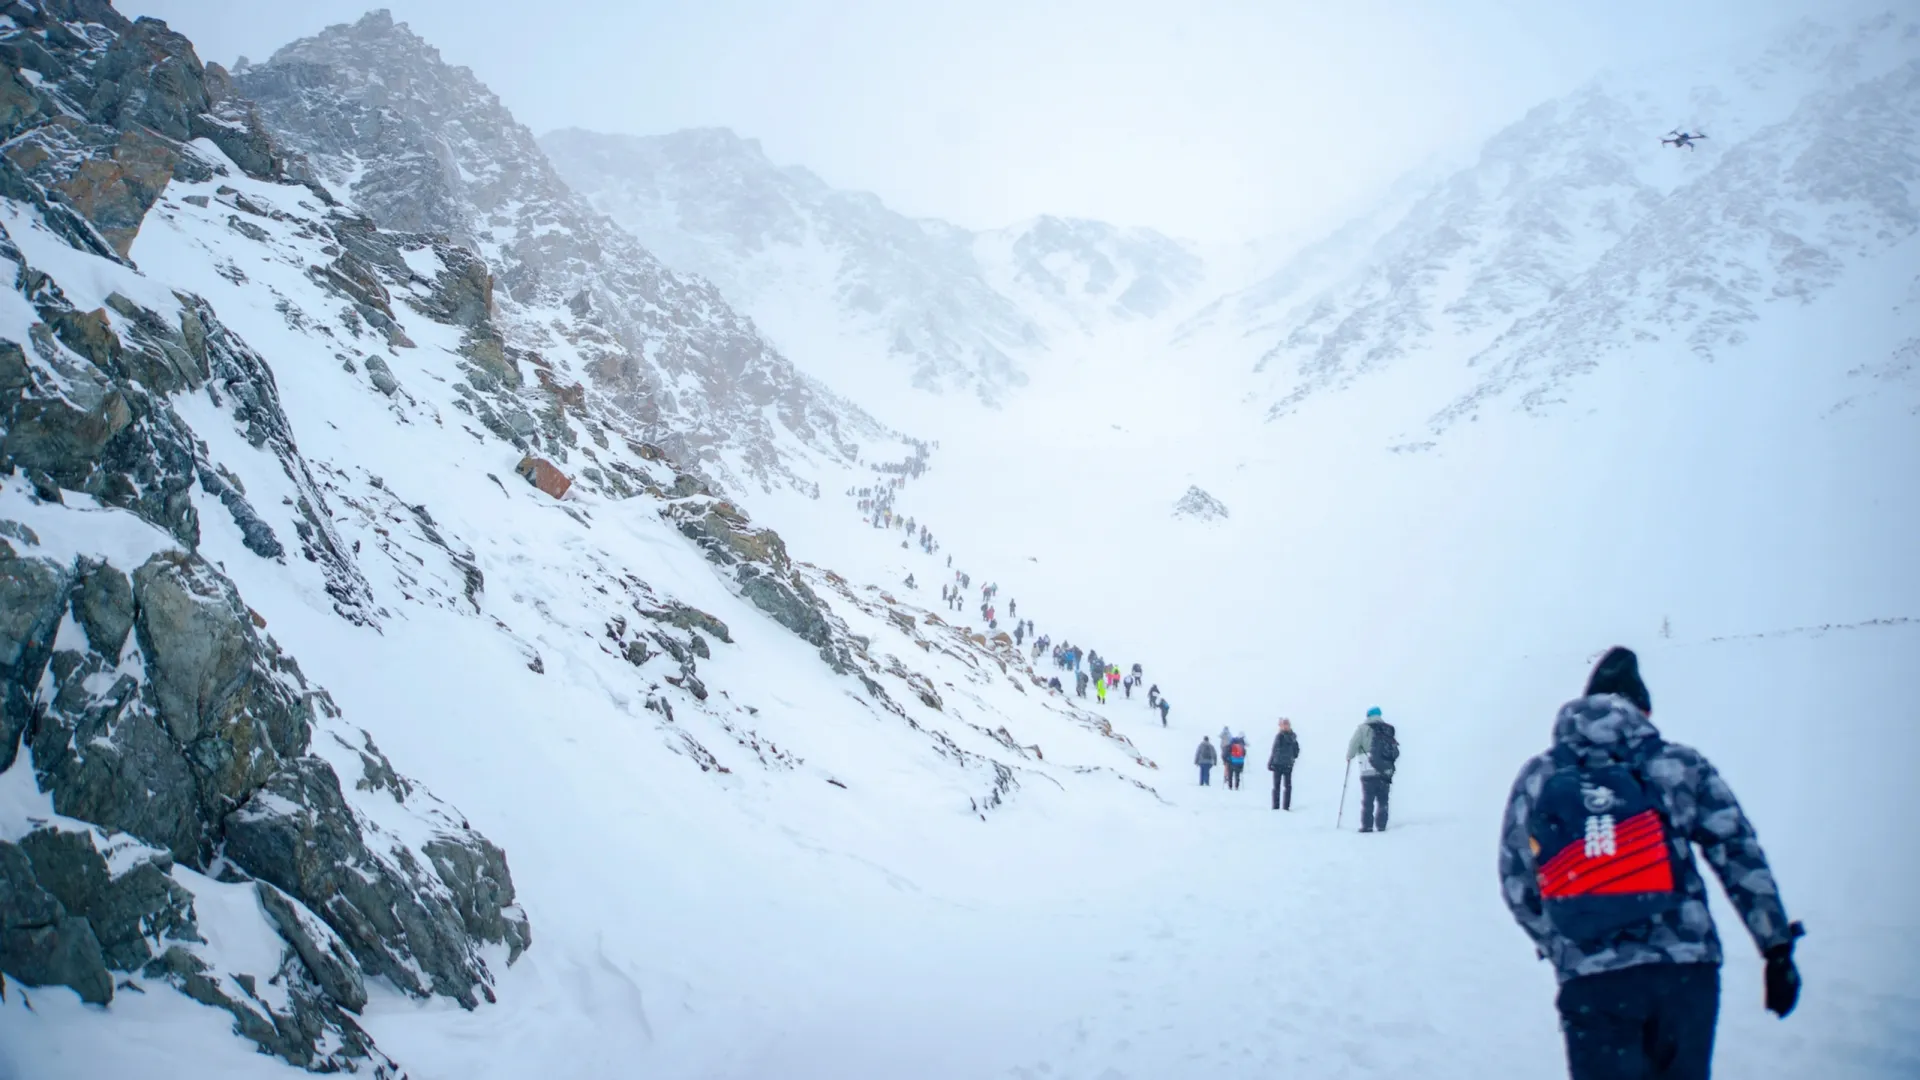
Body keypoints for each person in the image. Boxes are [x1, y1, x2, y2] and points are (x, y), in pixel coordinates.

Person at [1499, 647, 1804, 1080]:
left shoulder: (1541, 774)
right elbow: (1737, 852)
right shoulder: (1678, 765)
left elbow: (1517, 882)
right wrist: (1775, 948)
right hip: (1684, 972)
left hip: (1593, 981)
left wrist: (1564, 945)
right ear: (1643, 710)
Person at [1346, 707, 1398, 832]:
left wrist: (1349, 756)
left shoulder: (1362, 729)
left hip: (1367, 770)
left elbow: (1354, 744)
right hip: (1385, 771)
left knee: (1368, 800)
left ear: (1368, 715)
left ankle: (1367, 826)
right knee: (1383, 800)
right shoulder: (1387, 729)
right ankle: (1381, 825)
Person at [1269, 718, 1299, 811]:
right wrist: (1291, 758)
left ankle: (1277, 807)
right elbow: (1296, 752)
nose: (1285, 726)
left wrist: (1271, 761)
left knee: (1278, 786)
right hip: (1287, 764)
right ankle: (1285, 807)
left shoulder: (1279, 736)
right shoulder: (1293, 737)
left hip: (1279, 764)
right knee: (1286, 786)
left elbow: (1274, 750)